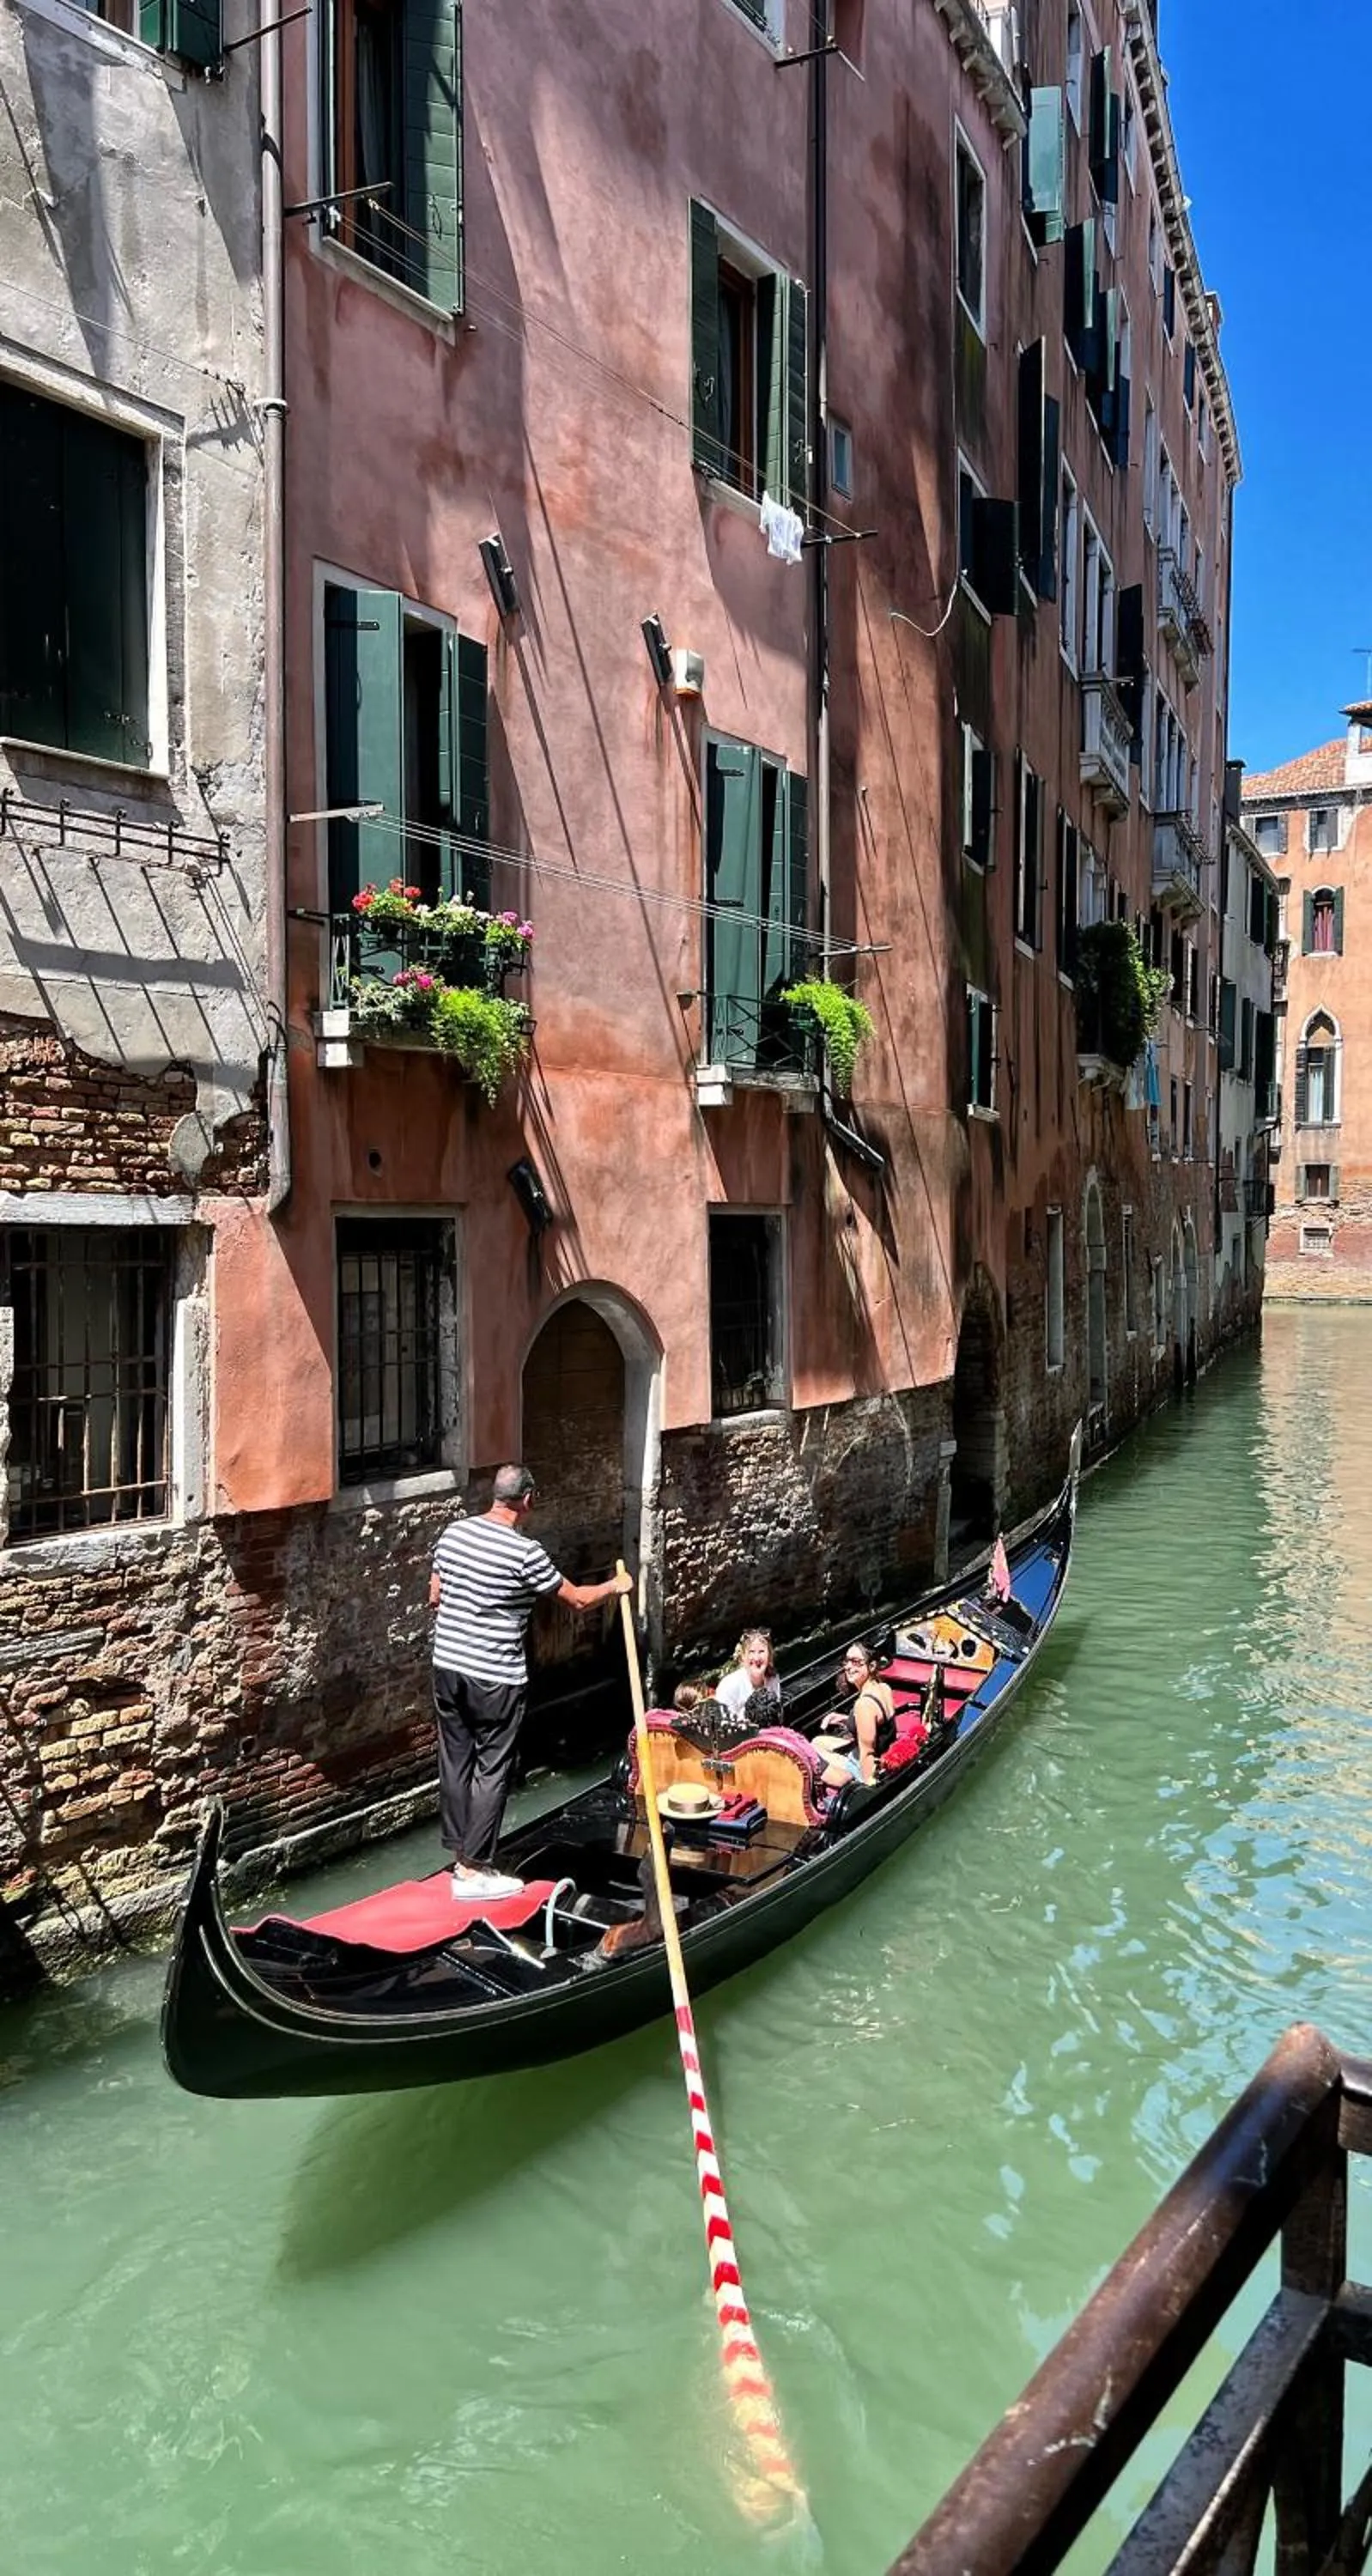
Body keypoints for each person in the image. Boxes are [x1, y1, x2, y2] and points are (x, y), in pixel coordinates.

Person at [429, 1464, 632, 1901]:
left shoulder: (453, 1534)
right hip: (494, 1676)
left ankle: (459, 1853)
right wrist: (616, 1586)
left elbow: (435, 1595)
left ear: (494, 1495)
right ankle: (473, 1869)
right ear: (528, 1500)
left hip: (447, 1666)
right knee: (492, 1768)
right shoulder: (525, 1553)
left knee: (455, 1761)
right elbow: (577, 1600)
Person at [815, 1642, 897, 1789]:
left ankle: (842, 1782)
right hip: (881, 1754)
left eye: (856, 1662)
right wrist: (845, 1719)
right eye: (847, 1661)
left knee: (811, 1752)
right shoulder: (884, 1688)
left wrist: (868, 1790)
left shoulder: (864, 1705)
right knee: (818, 1742)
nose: (848, 1667)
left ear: (871, 1666)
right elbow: (877, 1725)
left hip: (862, 1767)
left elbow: (867, 1753)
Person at [713, 1629, 781, 1722]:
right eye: (751, 1652)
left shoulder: (773, 1679)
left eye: (761, 1652)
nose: (756, 1658)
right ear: (743, 1657)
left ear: (769, 1656)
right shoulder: (729, 1685)